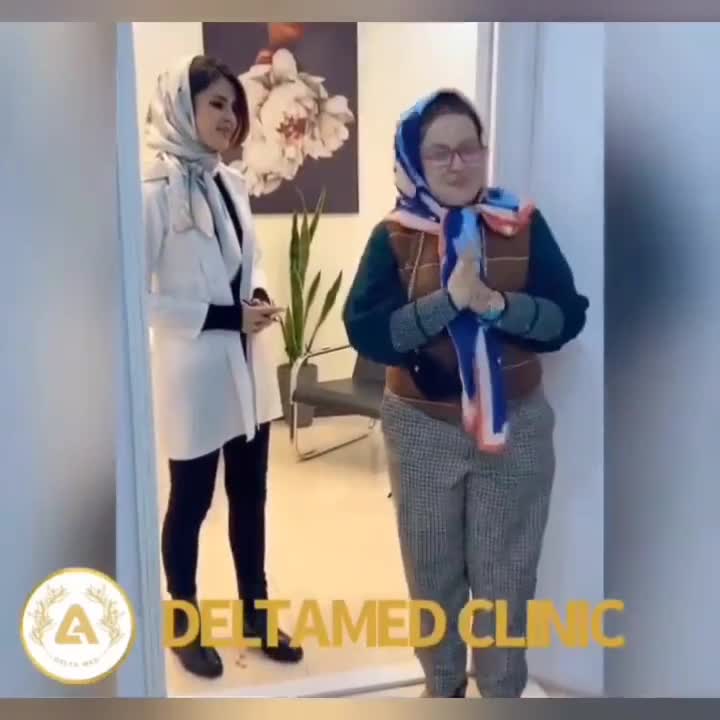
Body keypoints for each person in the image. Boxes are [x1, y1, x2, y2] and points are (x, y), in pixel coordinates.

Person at [342, 89, 589, 698]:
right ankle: (445, 689)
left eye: (469, 148)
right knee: (432, 577)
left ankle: (501, 693)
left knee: (506, 580)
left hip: (516, 429)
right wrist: (447, 302)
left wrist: (494, 303)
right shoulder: (394, 236)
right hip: (421, 430)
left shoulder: (521, 224)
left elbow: (566, 317)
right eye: (439, 153)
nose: (457, 164)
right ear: (414, 159)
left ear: (483, 152)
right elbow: (367, 332)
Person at [142, 54, 303, 679]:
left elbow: (250, 260)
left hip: (247, 365)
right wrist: (221, 317)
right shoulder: (153, 194)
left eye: (234, 107)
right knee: (190, 504)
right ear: (182, 107)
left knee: (251, 497)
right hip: (195, 374)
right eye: (216, 103)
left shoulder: (231, 182)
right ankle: (184, 626)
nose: (230, 117)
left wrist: (256, 295)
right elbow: (136, 299)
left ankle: (256, 617)